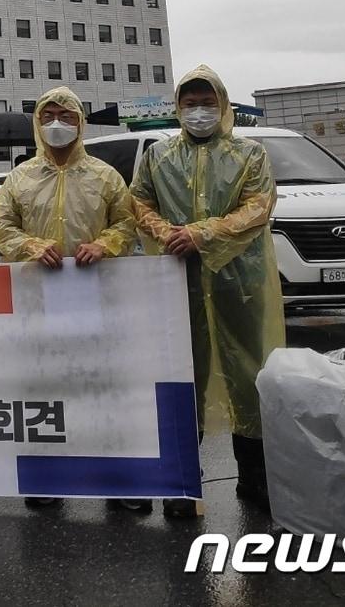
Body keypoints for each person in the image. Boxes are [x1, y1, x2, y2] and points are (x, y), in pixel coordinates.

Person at [130, 66, 284, 518]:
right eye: (190, 102)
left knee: (248, 375)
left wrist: (200, 233)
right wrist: (167, 231)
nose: (199, 111)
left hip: (241, 280)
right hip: (180, 278)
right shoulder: (157, 155)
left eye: (207, 101)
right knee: (183, 376)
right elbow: (138, 201)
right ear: (178, 108)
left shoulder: (250, 153)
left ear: (223, 104)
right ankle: (183, 484)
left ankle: (254, 480)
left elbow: (259, 204)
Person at [0, 87, 141, 511]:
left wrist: (106, 244)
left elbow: (127, 222)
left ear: (80, 122)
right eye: (49, 115)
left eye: (67, 115)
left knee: (103, 385)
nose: (57, 124)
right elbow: (0, 224)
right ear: (38, 124)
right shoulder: (20, 177)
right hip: (37, 297)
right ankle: (47, 476)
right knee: (43, 386)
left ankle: (118, 480)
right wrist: (31, 246)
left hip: (96, 294)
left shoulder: (105, 175)